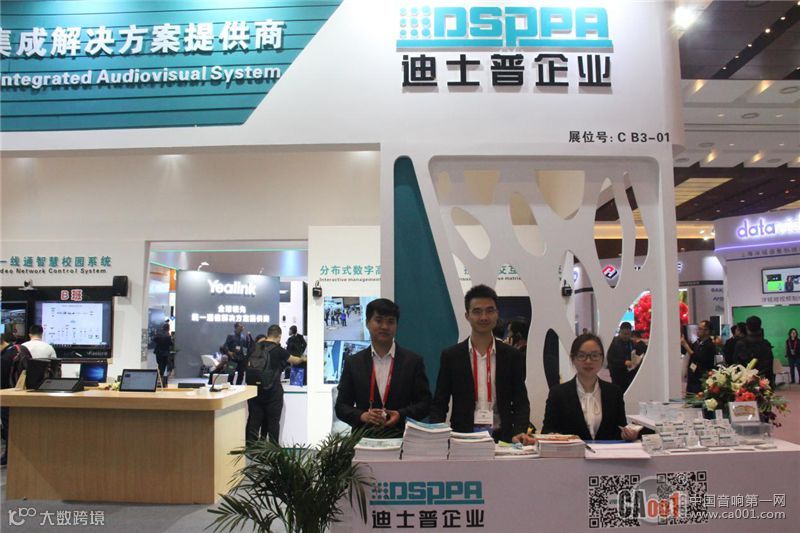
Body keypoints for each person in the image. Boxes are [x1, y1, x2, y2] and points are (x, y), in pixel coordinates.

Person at [430, 285, 534, 444]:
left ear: (497, 313)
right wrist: (435, 436)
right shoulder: (452, 356)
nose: (484, 317)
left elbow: (521, 401)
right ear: (467, 315)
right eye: (477, 311)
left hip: (503, 438)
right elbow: (440, 403)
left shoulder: (512, 356)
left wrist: (519, 432)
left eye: (490, 310)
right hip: (463, 437)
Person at [336, 299, 431, 437]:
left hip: (401, 439)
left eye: (390, 322)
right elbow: (341, 407)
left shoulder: (412, 362)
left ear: (396, 325)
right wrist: (362, 415)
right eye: (378, 320)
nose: (385, 326)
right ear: (367, 323)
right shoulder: (353, 363)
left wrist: (401, 415)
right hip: (364, 440)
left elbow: (425, 403)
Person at [542, 333, 640, 441]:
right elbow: (547, 431)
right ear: (573, 358)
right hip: (571, 451)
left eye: (594, 355)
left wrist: (627, 435)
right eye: (582, 355)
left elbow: (619, 428)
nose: (588, 361)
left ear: (602, 358)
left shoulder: (614, 392)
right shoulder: (558, 393)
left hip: (606, 452)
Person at [246, 326, 306, 444]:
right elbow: (294, 360)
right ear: (279, 336)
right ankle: (272, 449)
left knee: (253, 422)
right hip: (272, 393)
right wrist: (303, 359)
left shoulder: (254, 347)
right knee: (273, 423)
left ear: (268, 334)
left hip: (254, 392)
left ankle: (251, 449)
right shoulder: (278, 350)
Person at [734, 315, 775, 386]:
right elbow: (769, 366)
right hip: (764, 382)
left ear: (747, 328)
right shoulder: (766, 344)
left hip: (745, 383)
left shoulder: (741, 344)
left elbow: (737, 364)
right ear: (760, 327)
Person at [1, 332, 19, 466]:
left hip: (7, 396)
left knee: (8, 428)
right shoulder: (17, 349)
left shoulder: (5, 358)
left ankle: (8, 455)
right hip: (16, 394)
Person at [683, 320, 716, 394]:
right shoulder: (697, 342)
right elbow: (689, 353)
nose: (698, 331)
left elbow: (698, 357)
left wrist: (685, 345)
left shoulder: (709, 345)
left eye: (700, 329)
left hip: (701, 379)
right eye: (698, 328)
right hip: (692, 377)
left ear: (707, 331)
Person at [606, 322, 634, 392]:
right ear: (620, 332)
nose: (626, 336)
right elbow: (610, 359)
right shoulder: (613, 343)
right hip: (617, 374)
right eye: (624, 334)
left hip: (629, 374)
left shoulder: (631, 343)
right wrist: (624, 362)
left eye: (628, 334)